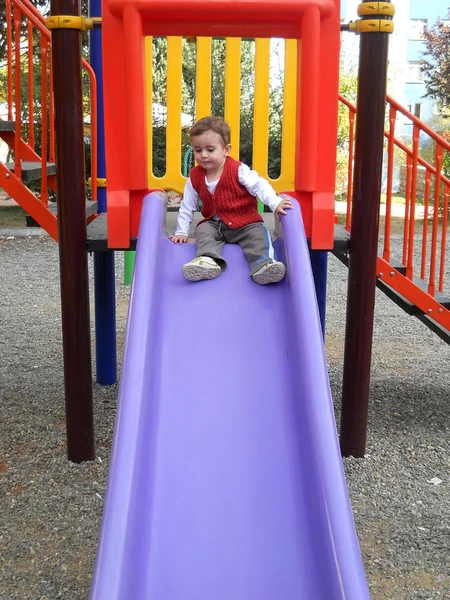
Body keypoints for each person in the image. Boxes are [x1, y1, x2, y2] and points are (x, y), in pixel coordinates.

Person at [169, 116, 293, 284]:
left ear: (226, 150)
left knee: (257, 234)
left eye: (210, 150)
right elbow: (187, 205)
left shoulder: (238, 170)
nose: (203, 155)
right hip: (214, 224)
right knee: (203, 230)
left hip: (245, 223)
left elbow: (259, 186)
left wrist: (275, 203)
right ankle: (207, 260)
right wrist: (182, 232)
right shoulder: (194, 177)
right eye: (198, 150)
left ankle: (264, 265)